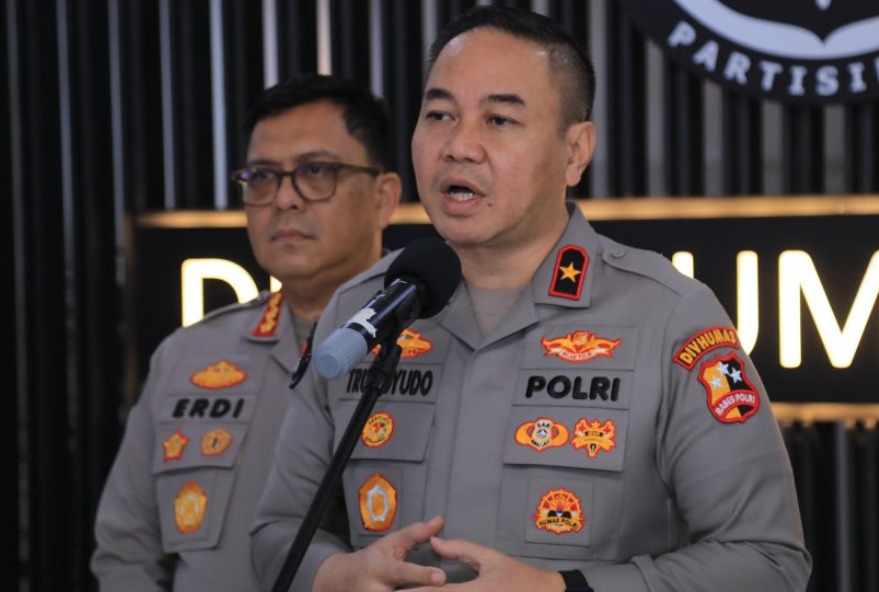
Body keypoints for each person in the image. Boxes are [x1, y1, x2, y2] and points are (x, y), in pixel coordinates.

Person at [251, 7, 811, 592]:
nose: (459, 146)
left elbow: (767, 561)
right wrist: (337, 574)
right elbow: (275, 532)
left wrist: (561, 588)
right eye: (440, 115)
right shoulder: (363, 312)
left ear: (575, 152)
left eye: (499, 119)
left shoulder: (669, 316)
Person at [91, 73, 402, 591]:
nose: (284, 200)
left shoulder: (440, 344)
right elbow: (127, 552)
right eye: (261, 177)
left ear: (383, 197)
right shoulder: (189, 356)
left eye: (316, 171)